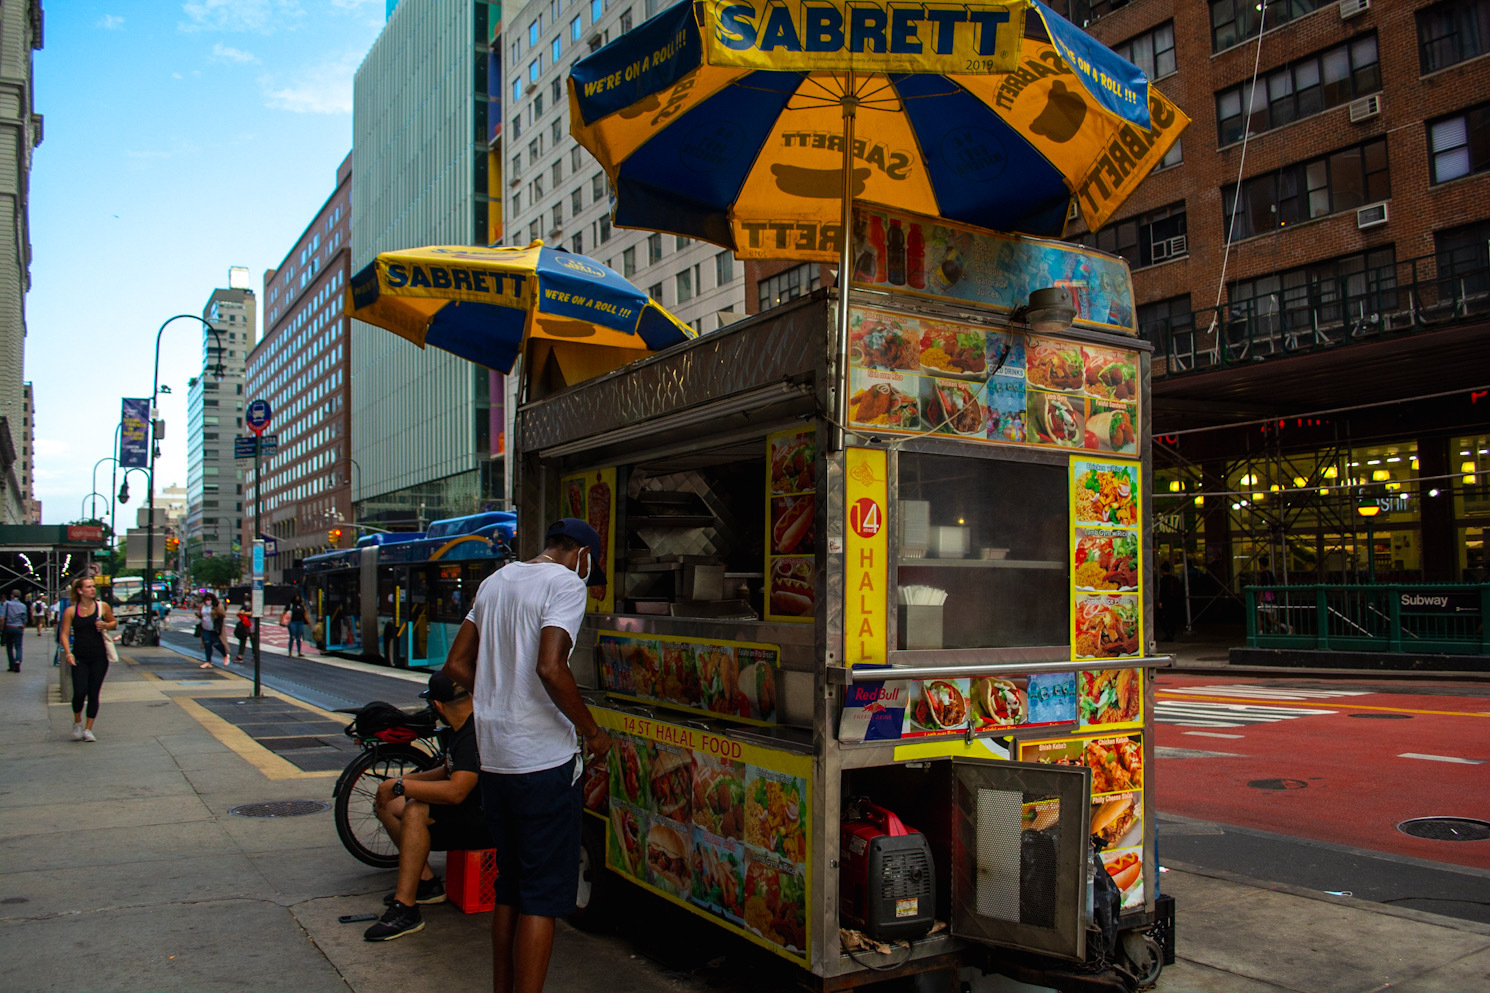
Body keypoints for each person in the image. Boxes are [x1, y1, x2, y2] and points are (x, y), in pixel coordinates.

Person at [443, 519, 613, 993]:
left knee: (511, 888)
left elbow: (456, 663)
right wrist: (593, 732)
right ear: (581, 554)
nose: (587, 575)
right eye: (589, 566)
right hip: (543, 763)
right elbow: (550, 667)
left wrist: (501, 700)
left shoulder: (496, 580)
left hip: (495, 758)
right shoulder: (564, 583)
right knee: (542, 897)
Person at [363, 671, 494, 941]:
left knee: (415, 809)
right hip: (469, 809)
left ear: (437, 706)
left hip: (487, 820)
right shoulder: (462, 726)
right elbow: (448, 770)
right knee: (390, 804)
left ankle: (406, 908)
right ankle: (425, 883)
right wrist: (396, 784)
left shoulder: (473, 734)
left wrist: (402, 787)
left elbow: (456, 791)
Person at [59, 576, 116, 741]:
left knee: (93, 693)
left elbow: (113, 622)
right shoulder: (71, 611)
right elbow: (64, 633)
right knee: (79, 692)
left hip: (99, 657)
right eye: (89, 587)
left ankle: (88, 729)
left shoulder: (102, 607)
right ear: (80, 591)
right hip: (79, 657)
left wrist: (106, 625)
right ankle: (77, 721)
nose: (93, 589)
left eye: (93, 586)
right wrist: (68, 653)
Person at [198, 593, 228, 668]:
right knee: (207, 644)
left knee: (217, 644)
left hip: (214, 628)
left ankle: (225, 655)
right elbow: (200, 614)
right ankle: (208, 661)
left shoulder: (217, 606)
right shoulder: (202, 606)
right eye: (206, 600)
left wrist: (216, 612)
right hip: (205, 627)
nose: (207, 601)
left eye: (209, 600)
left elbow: (222, 615)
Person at [1157, 560, 1184, 642]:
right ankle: (1171, 633)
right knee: (1172, 618)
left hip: (1166, 601)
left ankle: (1168, 634)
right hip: (1174, 601)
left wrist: (1160, 602)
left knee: (1163, 618)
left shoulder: (1164, 580)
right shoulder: (1174, 579)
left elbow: (1162, 591)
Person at [3, 589, 27, 671]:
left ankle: (11, 665)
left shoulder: (7, 604)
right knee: (19, 646)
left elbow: (3, 617)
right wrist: (22, 626)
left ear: (12, 595)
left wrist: (2, 627)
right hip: (18, 628)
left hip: (9, 627)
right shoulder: (23, 606)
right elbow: (24, 619)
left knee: (9, 647)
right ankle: (18, 661)